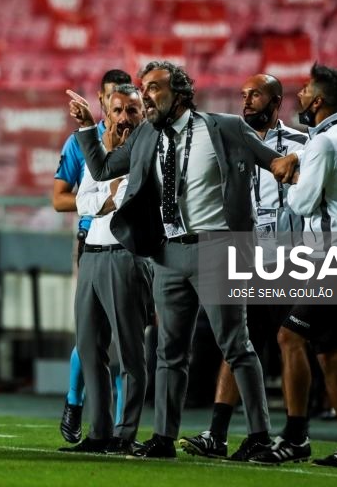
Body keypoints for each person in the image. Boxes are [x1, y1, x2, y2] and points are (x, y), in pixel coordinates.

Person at [68, 60, 280, 460]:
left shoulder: (223, 127)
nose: (145, 94)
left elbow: (271, 159)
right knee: (169, 353)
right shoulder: (147, 134)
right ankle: (164, 438)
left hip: (217, 247)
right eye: (143, 87)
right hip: (167, 252)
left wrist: (286, 166)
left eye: (152, 88)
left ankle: (260, 436)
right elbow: (102, 167)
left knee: (235, 345)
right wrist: (85, 127)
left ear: (179, 93)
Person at [250, 63, 337, 468]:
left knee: (289, 337)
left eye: (304, 90)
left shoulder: (322, 144)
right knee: (332, 356)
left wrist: (290, 173)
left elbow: (302, 204)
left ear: (318, 101)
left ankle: (296, 437)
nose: (299, 95)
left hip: (334, 258)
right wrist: (299, 162)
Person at [179, 74, 308, 458]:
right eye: (244, 95)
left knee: (294, 343)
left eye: (256, 95)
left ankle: (293, 434)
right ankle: (218, 433)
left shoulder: (302, 144)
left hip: (289, 259)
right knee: (238, 341)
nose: (247, 101)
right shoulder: (231, 140)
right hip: (247, 255)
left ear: (276, 101)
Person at [59, 84, 153, 454]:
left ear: (143, 116)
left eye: (132, 111)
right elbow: (84, 201)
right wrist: (105, 199)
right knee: (89, 347)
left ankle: (124, 434)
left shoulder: (146, 152)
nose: (125, 118)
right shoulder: (100, 153)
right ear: (107, 115)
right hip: (92, 255)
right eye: (117, 111)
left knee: (130, 352)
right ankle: (98, 433)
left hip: (127, 257)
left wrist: (105, 198)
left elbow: (123, 199)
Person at [53, 69, 132, 444]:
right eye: (111, 99)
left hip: (127, 247)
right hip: (89, 241)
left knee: (121, 340)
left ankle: (117, 428)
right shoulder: (81, 142)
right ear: (101, 100)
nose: (119, 110)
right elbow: (59, 199)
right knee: (90, 334)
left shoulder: (142, 141)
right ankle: (75, 401)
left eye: (126, 103)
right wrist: (99, 203)